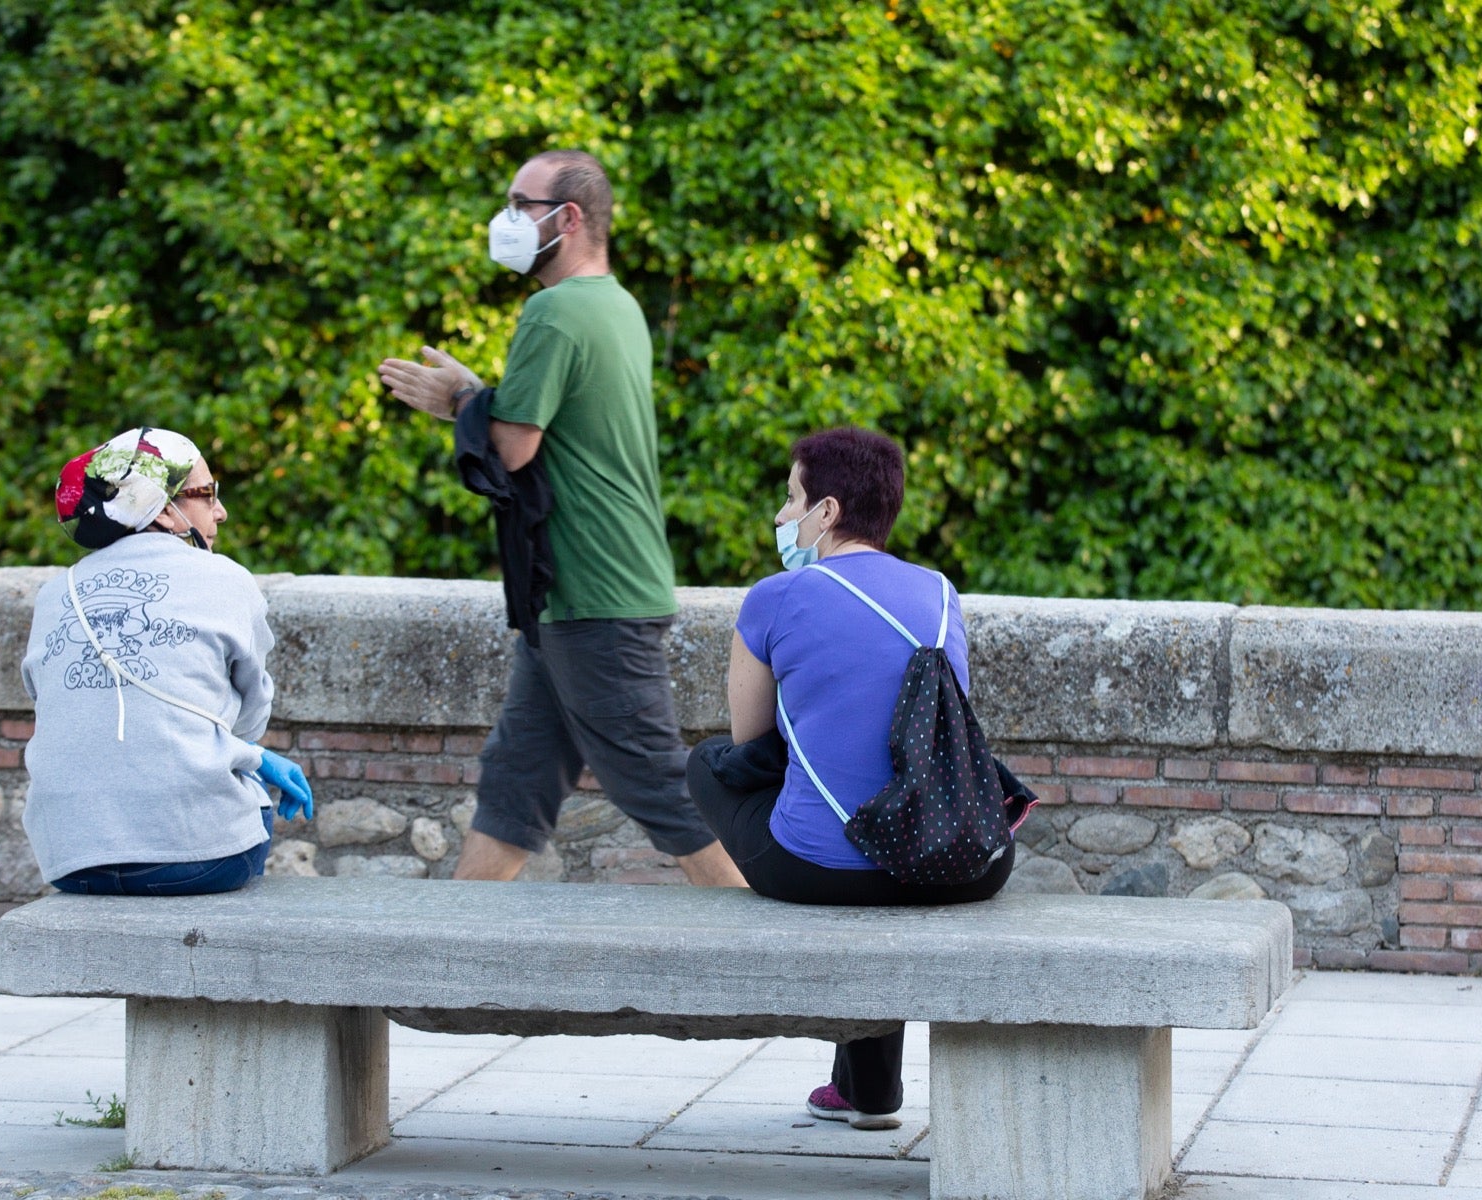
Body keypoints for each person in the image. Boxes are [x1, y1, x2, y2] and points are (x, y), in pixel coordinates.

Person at [377, 149, 744, 887]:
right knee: (515, 788)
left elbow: (513, 446)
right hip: (574, 594)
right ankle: (455, 957)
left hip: (594, 594)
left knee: (662, 793)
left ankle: (778, 961)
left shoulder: (554, 310)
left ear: (568, 218)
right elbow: (556, 432)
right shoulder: (615, 304)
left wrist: (457, 400)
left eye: (522, 204)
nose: (505, 219)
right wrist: (478, 394)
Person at [687, 427, 1014, 1130]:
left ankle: (863, 1084)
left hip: (819, 868)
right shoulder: (939, 592)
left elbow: (751, 745)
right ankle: (867, 1091)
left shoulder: (775, 597)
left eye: (791, 498)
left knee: (712, 766)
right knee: (887, 824)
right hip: (959, 858)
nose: (782, 517)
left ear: (827, 512)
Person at [19, 426, 312, 896]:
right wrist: (252, 756)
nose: (220, 511)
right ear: (164, 509)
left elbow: (52, 702)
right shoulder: (226, 579)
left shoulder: (55, 594)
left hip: (70, 861)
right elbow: (251, 715)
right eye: (207, 494)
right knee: (252, 804)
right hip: (200, 861)